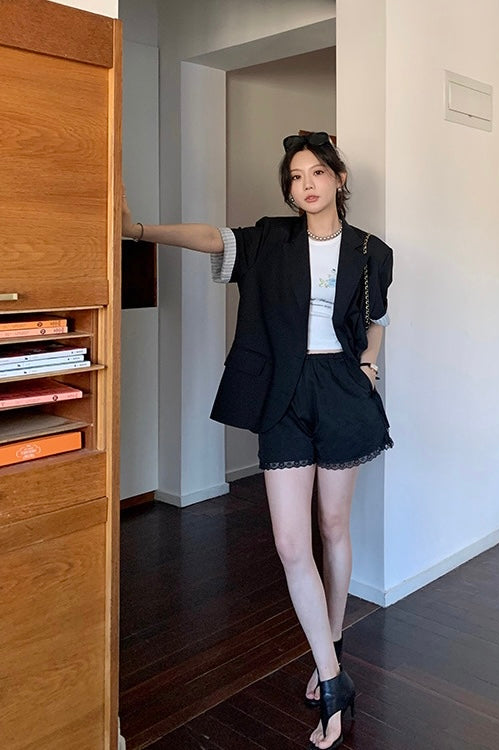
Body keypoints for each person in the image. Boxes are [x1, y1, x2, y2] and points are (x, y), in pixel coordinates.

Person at [122, 131, 393, 750]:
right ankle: (333, 680)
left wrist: (368, 365)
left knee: (333, 527)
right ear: (289, 190)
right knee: (291, 543)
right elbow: (210, 238)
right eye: (296, 176)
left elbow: (375, 320)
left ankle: (332, 647)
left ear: (339, 178)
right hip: (283, 392)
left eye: (317, 172)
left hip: (342, 389)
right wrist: (138, 231)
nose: (307, 185)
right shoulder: (272, 238)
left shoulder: (371, 250)